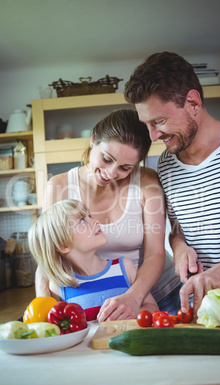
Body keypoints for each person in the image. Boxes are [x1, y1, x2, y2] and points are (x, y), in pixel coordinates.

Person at [124, 51, 220, 322]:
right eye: (147, 125)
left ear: (192, 102)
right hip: (201, 314)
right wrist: (179, 249)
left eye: (159, 121)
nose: (154, 136)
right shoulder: (166, 164)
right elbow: (178, 229)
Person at [35, 108, 182, 321]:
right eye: (106, 158)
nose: (112, 173)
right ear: (94, 139)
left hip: (161, 294)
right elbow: (48, 255)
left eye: (125, 167)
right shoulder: (58, 186)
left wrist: (133, 297)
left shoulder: (147, 182)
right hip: (93, 299)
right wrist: (43, 305)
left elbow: (155, 254)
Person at [28, 199, 158, 320]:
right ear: (63, 245)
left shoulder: (125, 268)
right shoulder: (59, 287)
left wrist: (136, 313)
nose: (96, 221)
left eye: (89, 216)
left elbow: (153, 308)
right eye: (82, 221)